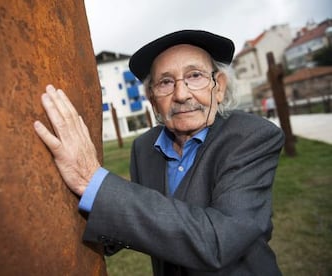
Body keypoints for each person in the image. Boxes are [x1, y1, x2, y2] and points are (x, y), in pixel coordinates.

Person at [33, 30, 284, 275]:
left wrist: (92, 179)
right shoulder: (144, 148)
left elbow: (219, 241)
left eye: (195, 76)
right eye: (165, 82)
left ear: (219, 87)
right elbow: (143, 219)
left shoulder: (252, 136)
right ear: (152, 99)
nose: (181, 94)